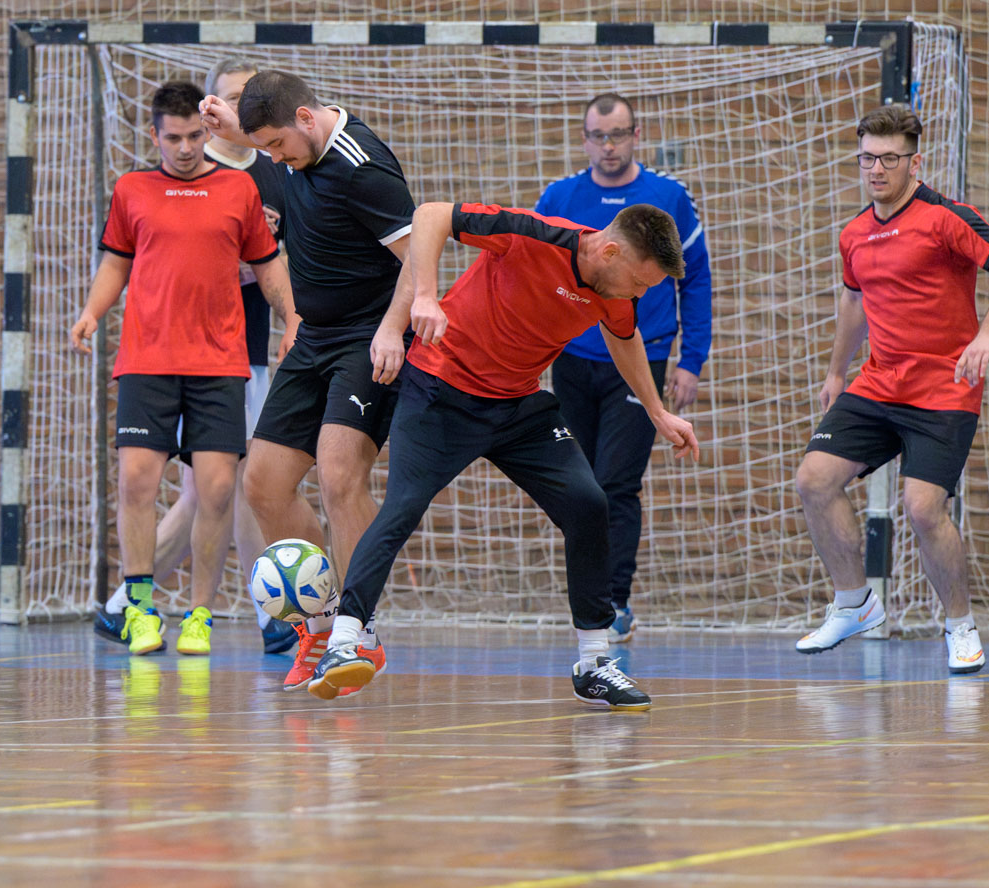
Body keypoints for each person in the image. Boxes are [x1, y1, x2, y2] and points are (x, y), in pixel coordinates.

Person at [308, 201, 698, 708]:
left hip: (518, 406)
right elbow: (431, 216)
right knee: (402, 508)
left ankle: (594, 664)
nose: (640, 294)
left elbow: (624, 336)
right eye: (640, 282)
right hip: (441, 391)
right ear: (609, 252)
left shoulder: (615, 290)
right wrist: (424, 296)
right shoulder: (533, 234)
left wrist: (657, 411)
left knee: (589, 503)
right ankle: (344, 642)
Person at [793, 104, 989, 673]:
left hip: (944, 389)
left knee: (923, 510)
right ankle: (854, 603)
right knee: (814, 480)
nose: (877, 169)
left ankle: (960, 625)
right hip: (879, 383)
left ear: (914, 162)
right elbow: (855, 300)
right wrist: (836, 372)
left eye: (889, 159)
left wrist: (988, 334)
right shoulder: (854, 233)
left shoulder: (945, 217)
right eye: (867, 158)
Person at [199, 72, 416, 692]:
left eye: (275, 146)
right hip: (313, 336)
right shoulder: (292, 145)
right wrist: (239, 132)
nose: (272, 159)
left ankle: (359, 630)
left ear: (304, 118)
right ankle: (318, 626)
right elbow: (271, 142)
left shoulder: (363, 167)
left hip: (369, 337)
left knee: (339, 475)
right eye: (262, 146)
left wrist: (393, 330)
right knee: (263, 483)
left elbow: (421, 259)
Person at [72, 80, 293, 656]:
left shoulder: (238, 190)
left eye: (195, 136)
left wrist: (293, 319)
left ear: (206, 130)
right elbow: (115, 263)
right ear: (156, 136)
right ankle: (139, 610)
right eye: (174, 138)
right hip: (147, 360)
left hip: (219, 362)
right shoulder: (132, 189)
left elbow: (268, 265)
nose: (187, 148)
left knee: (217, 491)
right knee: (136, 483)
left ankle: (199, 616)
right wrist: (92, 312)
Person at [535, 93, 712, 641]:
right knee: (578, 484)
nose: (608, 146)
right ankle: (586, 600)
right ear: (584, 139)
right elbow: (538, 276)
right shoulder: (560, 196)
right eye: (598, 136)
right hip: (573, 361)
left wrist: (691, 360)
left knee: (616, 482)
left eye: (617, 135)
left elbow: (696, 279)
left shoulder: (668, 196)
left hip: (641, 359)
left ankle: (615, 602)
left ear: (637, 135)